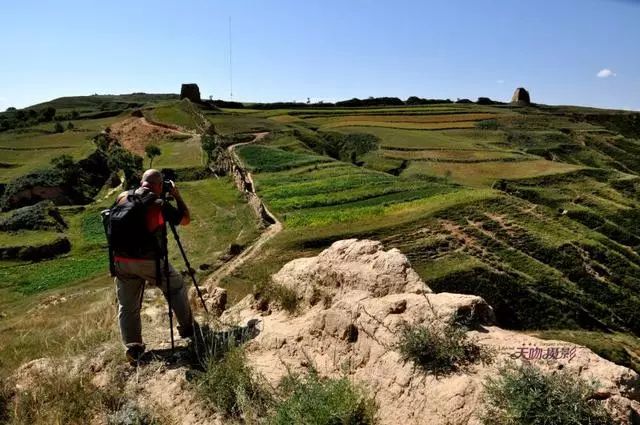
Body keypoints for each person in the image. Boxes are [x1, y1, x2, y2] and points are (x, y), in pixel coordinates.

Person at [112, 169, 194, 363]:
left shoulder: (123, 197)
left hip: (121, 261)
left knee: (127, 305)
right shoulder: (158, 204)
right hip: (149, 261)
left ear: (142, 182)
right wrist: (177, 195)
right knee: (176, 287)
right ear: (159, 185)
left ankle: (133, 347)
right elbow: (186, 220)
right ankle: (187, 328)